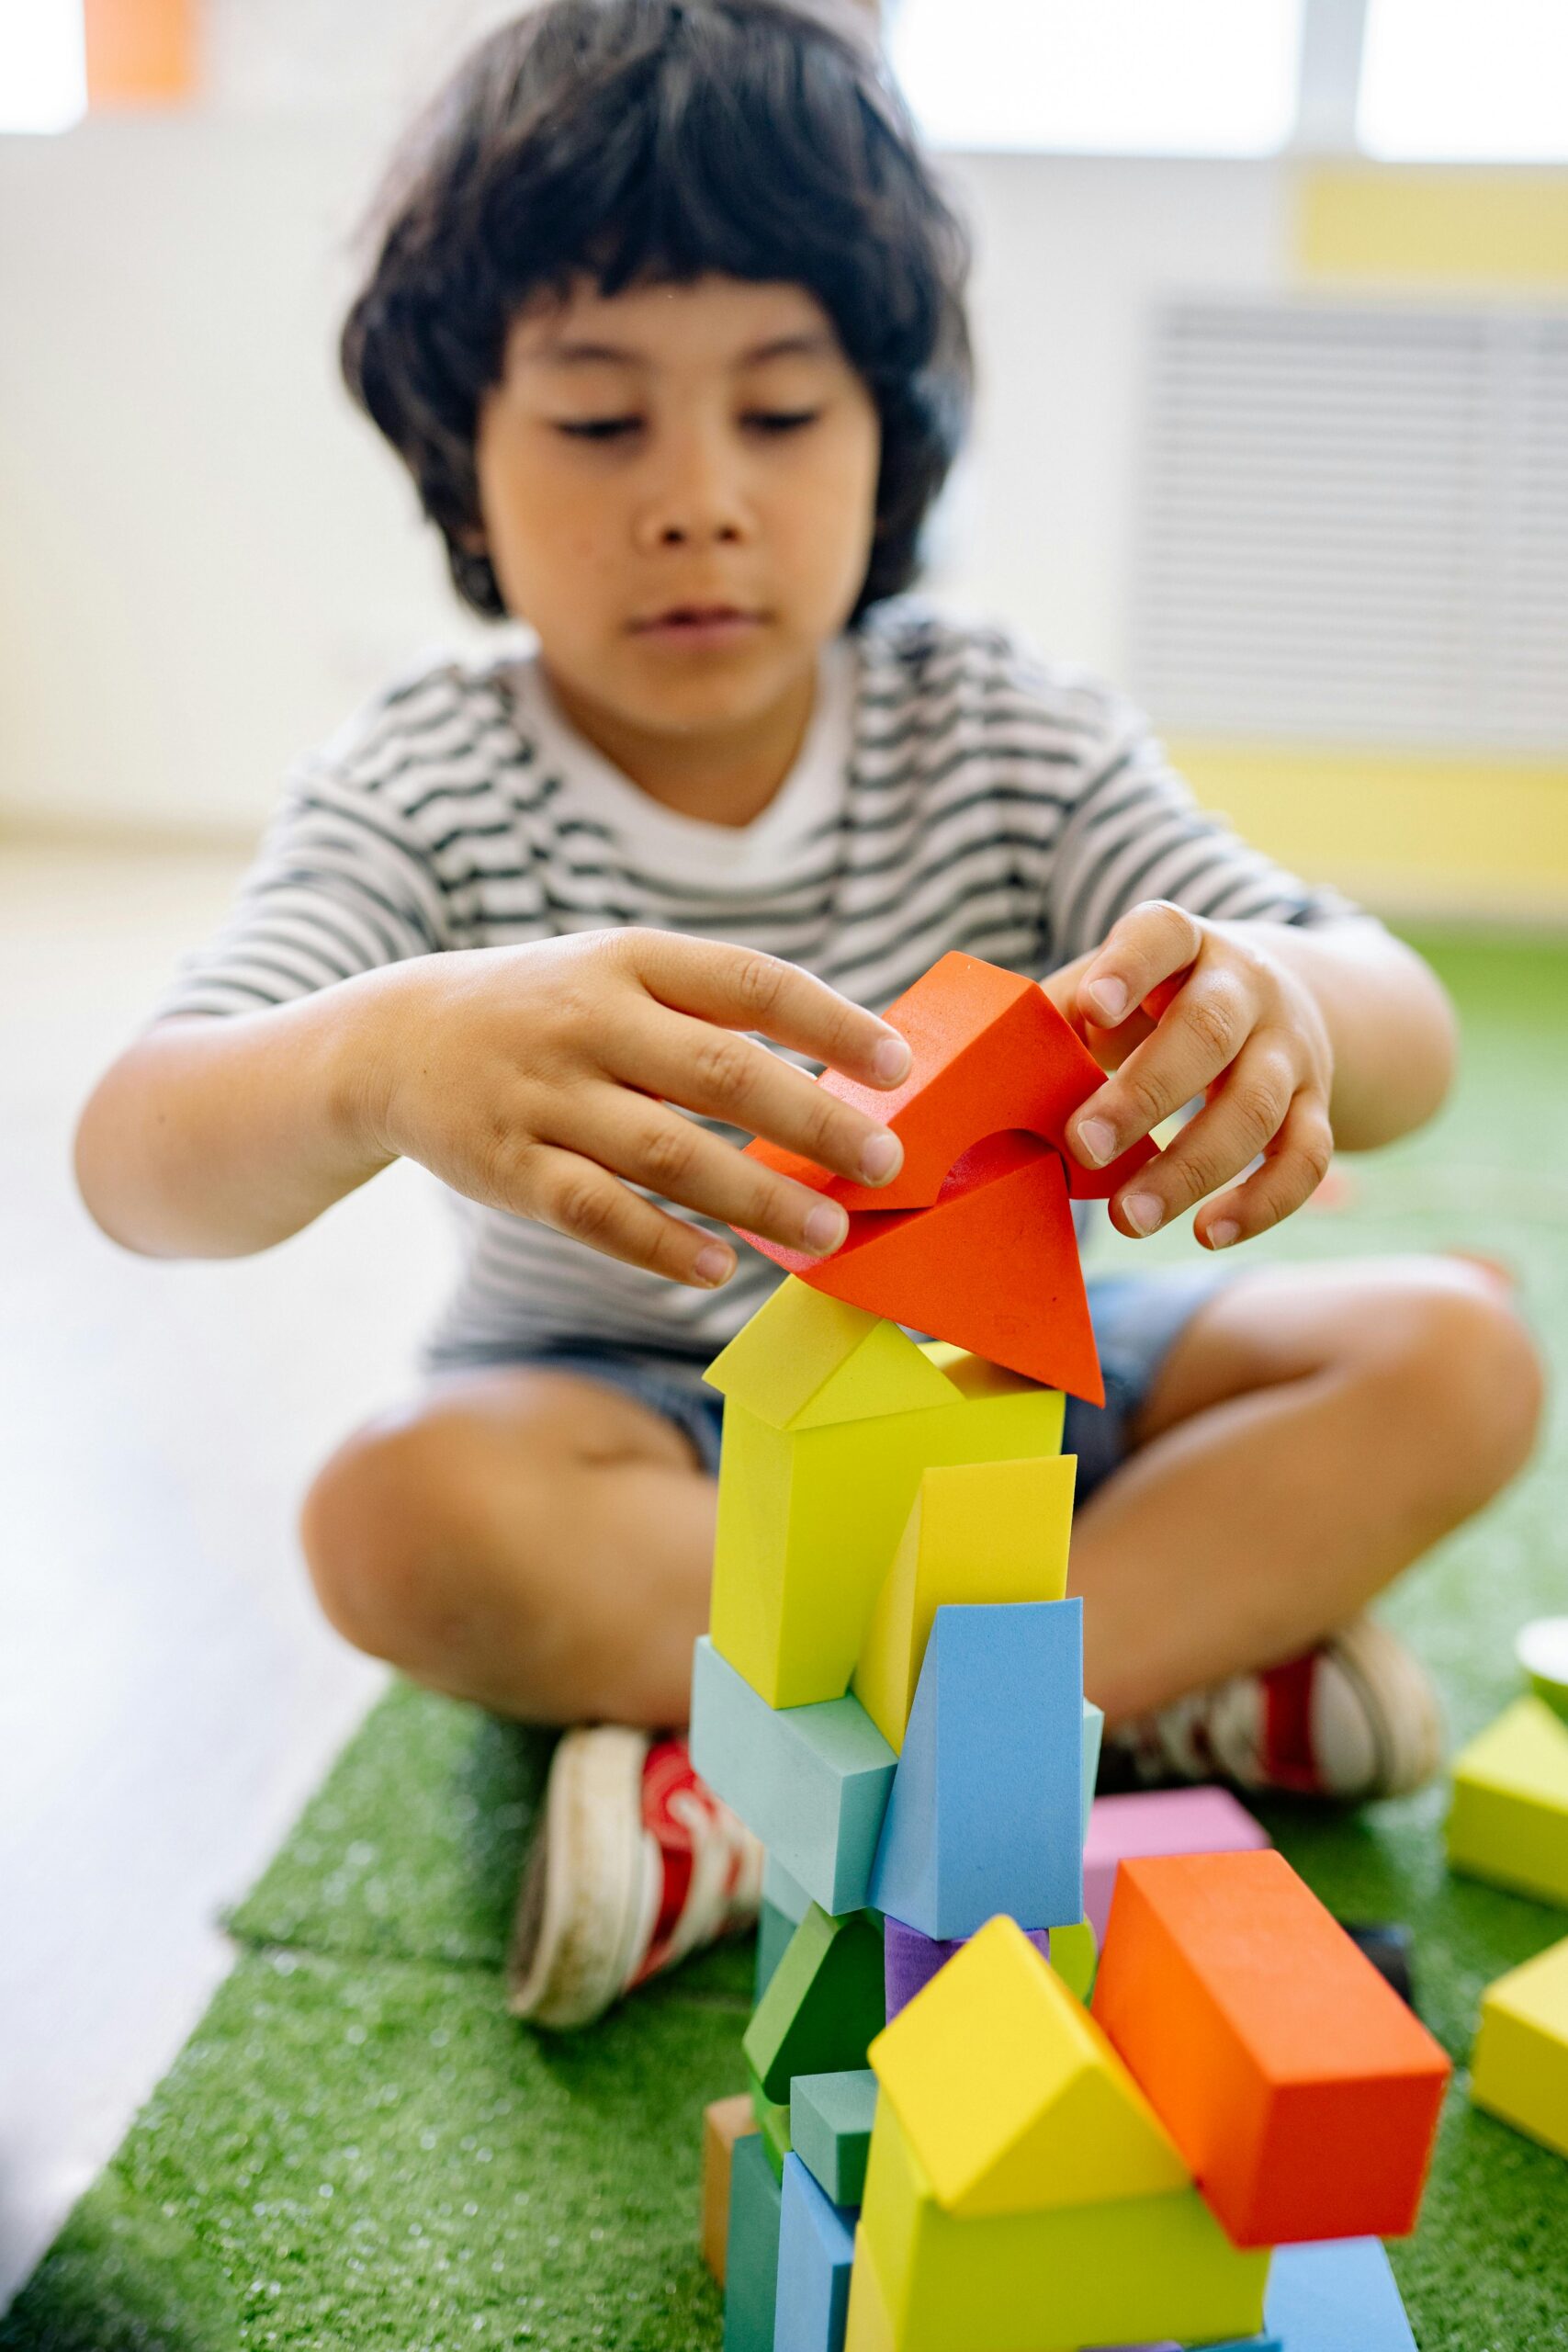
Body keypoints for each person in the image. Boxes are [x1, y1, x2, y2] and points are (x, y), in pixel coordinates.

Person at [75, 0, 1543, 2030]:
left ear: (889, 436)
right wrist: (375, 1052)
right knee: (399, 1514)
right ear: (463, 460)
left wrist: (1282, 996)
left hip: (1033, 1389)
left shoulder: (993, 720)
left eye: (778, 413)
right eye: (599, 422)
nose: (697, 498)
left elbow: (1394, 1018)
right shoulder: (426, 780)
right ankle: (1169, 1674)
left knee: (1453, 1353)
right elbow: (135, 1160)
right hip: (634, 1426)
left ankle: (796, 1771)